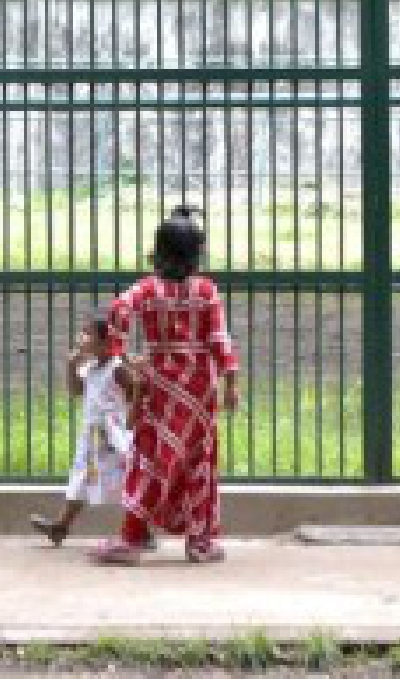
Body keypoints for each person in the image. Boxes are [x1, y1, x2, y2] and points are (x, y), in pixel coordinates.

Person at [91, 204, 239, 566]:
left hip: (160, 383)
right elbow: (220, 340)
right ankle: (200, 541)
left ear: (158, 251)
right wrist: (231, 382)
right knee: (199, 459)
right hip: (200, 386)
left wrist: (119, 357)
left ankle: (133, 536)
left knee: (151, 457)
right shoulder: (206, 291)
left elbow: (117, 313)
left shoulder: (146, 289)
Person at [30, 313, 136, 547]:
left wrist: (128, 421)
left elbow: (135, 393)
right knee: (81, 479)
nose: (82, 338)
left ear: (105, 342)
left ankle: (141, 531)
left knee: (126, 480)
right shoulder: (90, 367)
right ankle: (61, 527)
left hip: (112, 436)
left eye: (88, 334)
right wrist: (71, 364)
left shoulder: (117, 369)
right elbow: (76, 390)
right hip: (93, 436)